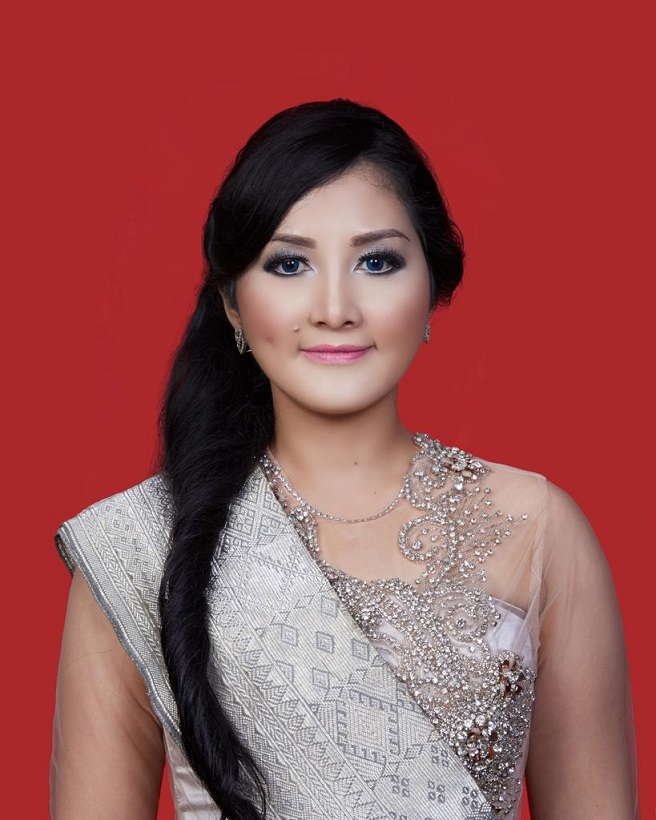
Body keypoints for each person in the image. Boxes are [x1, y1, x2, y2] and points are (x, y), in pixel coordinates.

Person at [50, 99, 637, 820]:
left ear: (432, 288)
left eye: (377, 261)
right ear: (232, 305)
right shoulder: (141, 549)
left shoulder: (537, 529)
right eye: (289, 263)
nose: (335, 307)